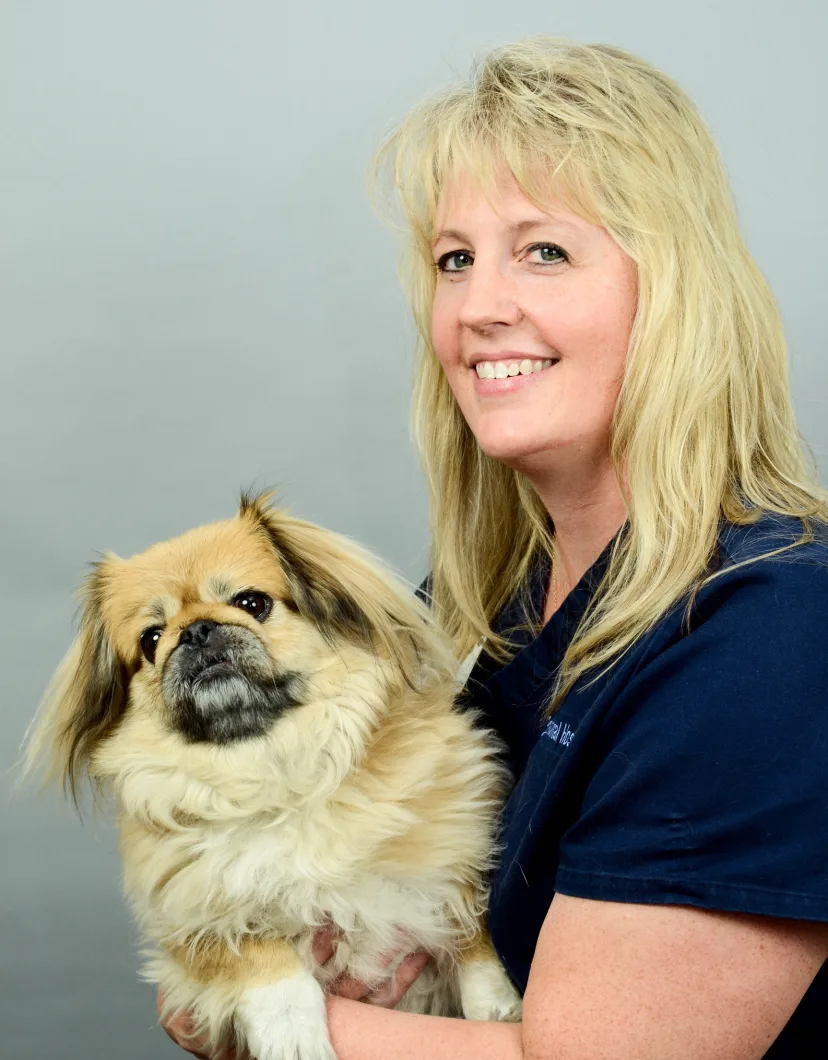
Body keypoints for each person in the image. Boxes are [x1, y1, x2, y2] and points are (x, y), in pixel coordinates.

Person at [162, 36, 828, 1059]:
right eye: (455, 259)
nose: (479, 309)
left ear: (677, 288)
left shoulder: (772, 629)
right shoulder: (493, 593)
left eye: (545, 250)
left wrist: (255, 1015)